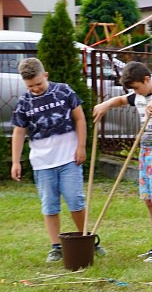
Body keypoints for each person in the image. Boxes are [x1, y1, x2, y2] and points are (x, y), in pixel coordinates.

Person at [10, 57, 104, 262]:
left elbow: (79, 118)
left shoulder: (64, 91)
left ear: (46, 75)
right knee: (49, 206)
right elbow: (19, 132)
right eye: (30, 86)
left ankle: (87, 239)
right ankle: (55, 246)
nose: (35, 89)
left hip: (69, 160)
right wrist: (16, 161)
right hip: (42, 164)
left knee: (75, 201)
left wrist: (81, 146)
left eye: (38, 84)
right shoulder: (24, 102)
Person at [92, 61, 152, 262]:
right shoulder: (137, 96)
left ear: (147, 79)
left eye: (137, 87)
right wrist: (106, 104)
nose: (135, 92)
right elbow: (121, 99)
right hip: (145, 153)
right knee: (148, 200)